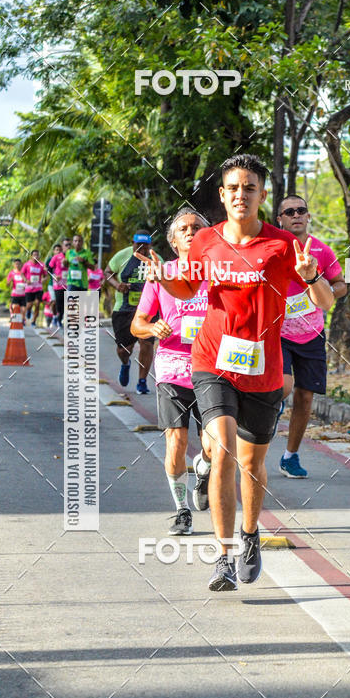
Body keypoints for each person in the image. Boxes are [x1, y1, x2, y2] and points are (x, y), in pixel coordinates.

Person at [147, 153, 335, 591]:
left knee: (252, 464)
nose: (240, 195)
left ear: (261, 196)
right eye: (232, 188)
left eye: (249, 188)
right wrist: (161, 278)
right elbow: (187, 286)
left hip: (263, 365)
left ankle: (250, 535)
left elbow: (325, 302)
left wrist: (310, 278)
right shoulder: (206, 240)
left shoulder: (283, 245)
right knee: (225, 448)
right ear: (222, 195)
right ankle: (224, 555)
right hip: (212, 359)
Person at [132, 207, 212, 534]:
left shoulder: (219, 273)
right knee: (175, 443)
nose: (191, 232)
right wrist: (152, 329)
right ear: (174, 241)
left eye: (197, 227)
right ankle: (181, 510)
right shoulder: (161, 275)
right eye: (184, 229)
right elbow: (138, 324)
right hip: (172, 369)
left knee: (214, 445)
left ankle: (203, 470)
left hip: (212, 369)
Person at [276, 194, 347, 477]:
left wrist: (320, 288)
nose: (296, 215)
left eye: (301, 210)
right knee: (283, 385)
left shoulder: (322, 251)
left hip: (311, 333)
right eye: (289, 211)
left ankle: (290, 456)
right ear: (279, 218)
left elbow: (340, 285)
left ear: (308, 216)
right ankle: (274, 406)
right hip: (277, 332)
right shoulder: (272, 248)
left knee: (305, 397)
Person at [105, 231, 161, 395]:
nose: (142, 249)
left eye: (146, 246)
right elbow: (107, 272)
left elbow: (167, 278)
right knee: (123, 349)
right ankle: (125, 363)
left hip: (148, 310)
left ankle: (142, 381)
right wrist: (117, 285)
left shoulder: (156, 258)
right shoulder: (122, 256)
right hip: (124, 308)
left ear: (150, 245)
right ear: (133, 243)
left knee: (146, 343)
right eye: (138, 245)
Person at [47, 239, 70, 326]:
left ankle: (60, 319)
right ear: (63, 246)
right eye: (66, 245)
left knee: (66, 303)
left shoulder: (72, 256)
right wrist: (54, 276)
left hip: (69, 284)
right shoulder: (56, 257)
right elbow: (49, 270)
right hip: (58, 285)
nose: (68, 247)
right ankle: (57, 318)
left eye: (69, 245)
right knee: (58, 302)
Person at [22, 250, 47, 325]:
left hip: (38, 288)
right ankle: (28, 312)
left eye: (37, 255)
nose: (36, 256)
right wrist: (26, 280)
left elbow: (46, 275)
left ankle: (33, 321)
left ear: (39, 256)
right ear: (31, 256)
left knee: (37, 303)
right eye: (34, 255)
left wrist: (43, 279)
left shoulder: (42, 265)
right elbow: (22, 274)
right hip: (29, 288)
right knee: (29, 305)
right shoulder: (27, 264)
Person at [45, 243, 61, 322]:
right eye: (57, 250)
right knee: (54, 302)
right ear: (54, 251)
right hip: (52, 284)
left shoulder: (64, 259)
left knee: (61, 303)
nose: (58, 252)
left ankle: (59, 317)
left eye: (60, 250)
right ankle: (54, 317)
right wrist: (54, 275)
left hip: (62, 285)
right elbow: (47, 269)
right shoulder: (50, 259)